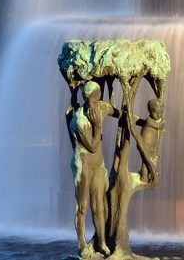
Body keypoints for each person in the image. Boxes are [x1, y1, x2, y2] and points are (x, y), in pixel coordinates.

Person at [67, 81, 116, 256]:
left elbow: (117, 113)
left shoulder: (101, 107)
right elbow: (93, 146)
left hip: (97, 164)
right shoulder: (80, 119)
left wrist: (144, 123)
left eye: (94, 99)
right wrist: (98, 125)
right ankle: (81, 241)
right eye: (88, 100)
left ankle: (102, 242)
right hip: (83, 162)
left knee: (99, 206)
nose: (91, 104)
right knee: (83, 205)